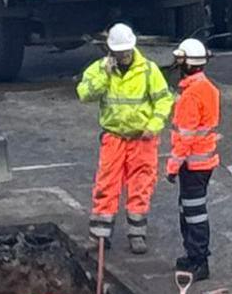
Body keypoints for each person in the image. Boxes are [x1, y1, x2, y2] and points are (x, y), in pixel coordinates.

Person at [77, 23, 175, 253]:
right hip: (114, 137)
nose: (123, 56)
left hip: (142, 139)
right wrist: (104, 75)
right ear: (110, 51)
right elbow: (84, 94)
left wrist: (153, 125)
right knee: (106, 184)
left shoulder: (149, 71)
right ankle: (100, 235)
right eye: (119, 52)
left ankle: (137, 233)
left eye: (126, 51)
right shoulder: (100, 69)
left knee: (141, 185)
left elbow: (164, 100)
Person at [167, 39, 220, 280]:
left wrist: (172, 166)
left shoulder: (190, 95)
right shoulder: (207, 88)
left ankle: (199, 261)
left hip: (193, 164)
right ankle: (194, 255)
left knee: (193, 213)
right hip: (203, 162)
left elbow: (184, 138)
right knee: (190, 210)